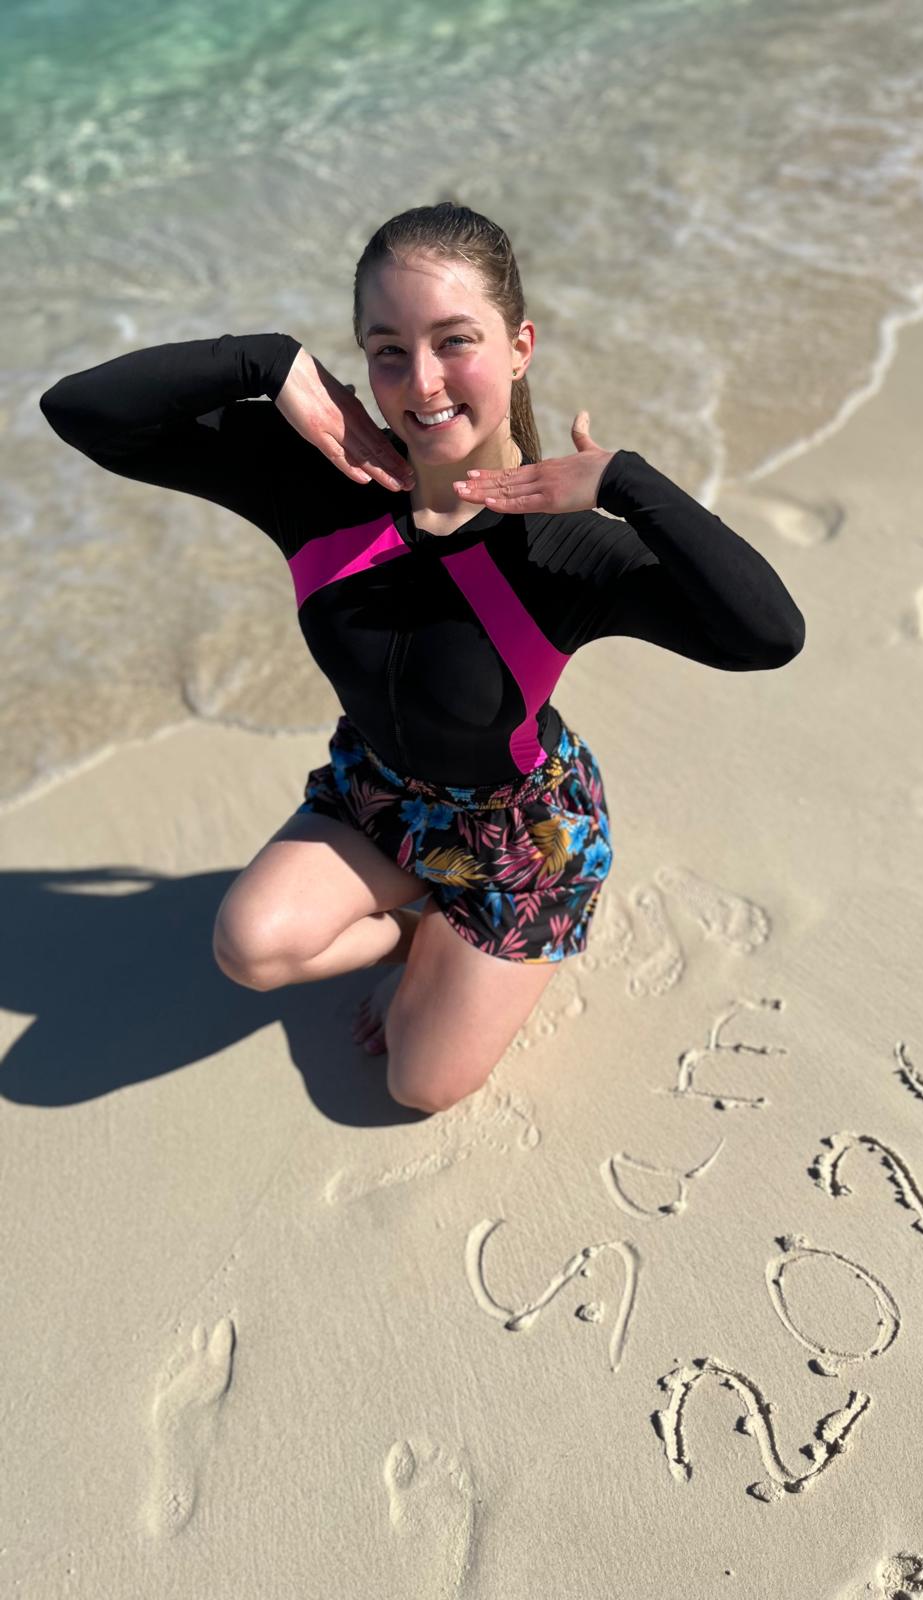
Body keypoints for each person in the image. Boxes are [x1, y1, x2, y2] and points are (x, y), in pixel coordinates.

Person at [39, 201, 805, 1114]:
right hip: (377, 794)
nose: (422, 381)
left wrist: (624, 481)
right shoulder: (318, 483)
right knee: (250, 947)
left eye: (455, 340)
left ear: (520, 346)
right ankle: (417, 932)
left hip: (521, 837)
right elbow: (80, 413)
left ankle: (457, 938)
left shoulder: (561, 551)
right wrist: (267, 362)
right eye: (388, 349)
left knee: (417, 1082)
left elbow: (767, 635)